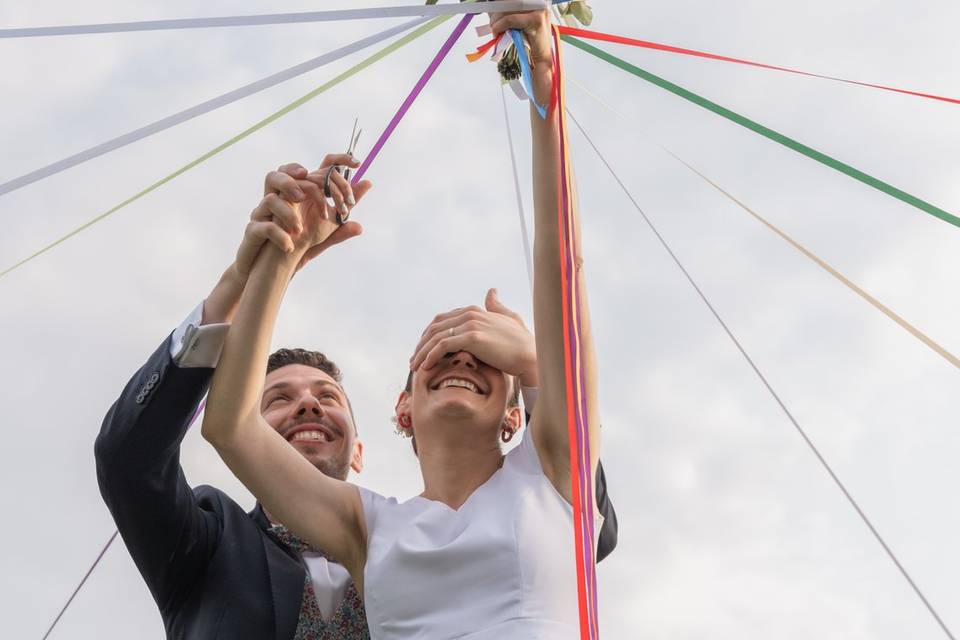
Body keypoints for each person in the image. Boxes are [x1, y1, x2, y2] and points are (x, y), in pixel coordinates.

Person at [202, 8, 603, 638]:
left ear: (514, 412)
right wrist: (283, 256)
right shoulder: (368, 528)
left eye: (481, 358)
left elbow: (564, 267)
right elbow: (229, 427)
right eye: (439, 352)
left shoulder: (553, 474)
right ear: (403, 409)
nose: (461, 357)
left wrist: (546, 83)